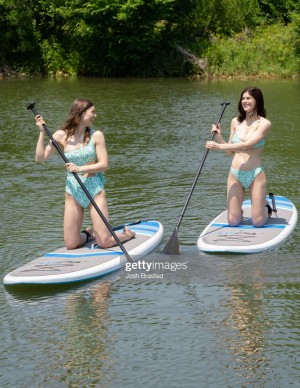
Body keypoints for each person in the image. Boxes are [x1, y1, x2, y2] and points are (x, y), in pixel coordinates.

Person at [35, 98, 135, 249]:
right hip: (73, 191)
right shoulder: (60, 135)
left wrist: (80, 169)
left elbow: (104, 165)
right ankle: (90, 233)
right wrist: (42, 133)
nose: (95, 115)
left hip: (94, 189)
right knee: (71, 243)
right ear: (80, 114)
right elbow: (40, 159)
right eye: (92, 112)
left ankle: (127, 234)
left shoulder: (97, 136)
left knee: (105, 243)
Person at [206, 87, 272, 227]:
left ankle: (266, 207)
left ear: (257, 100)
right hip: (235, 174)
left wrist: (218, 147)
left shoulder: (264, 124)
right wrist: (218, 136)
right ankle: (238, 212)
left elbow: (246, 145)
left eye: (249, 98)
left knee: (258, 222)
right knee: (233, 221)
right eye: (243, 98)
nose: (245, 101)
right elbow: (230, 151)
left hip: (255, 173)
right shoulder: (235, 122)